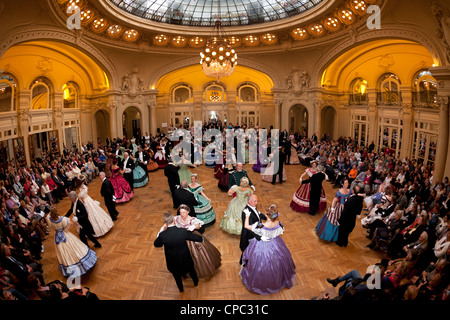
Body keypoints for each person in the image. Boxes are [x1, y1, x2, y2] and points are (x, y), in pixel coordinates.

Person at [240, 204, 296, 295]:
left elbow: (247, 226)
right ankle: (275, 281)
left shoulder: (261, 225)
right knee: (277, 262)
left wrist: (247, 215)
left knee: (259, 263)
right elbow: (278, 231)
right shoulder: (278, 223)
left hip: (262, 246)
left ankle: (260, 283)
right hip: (275, 244)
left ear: (266, 215)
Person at [154, 211, 203, 292]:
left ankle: (181, 289)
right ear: (174, 219)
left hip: (172, 260)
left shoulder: (162, 235)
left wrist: (161, 230)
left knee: (176, 275)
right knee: (191, 270)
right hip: (185, 257)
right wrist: (201, 238)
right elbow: (195, 237)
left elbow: (156, 244)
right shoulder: (182, 231)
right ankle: (195, 282)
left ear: (165, 222)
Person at [173, 205, 221, 279]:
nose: (182, 214)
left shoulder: (192, 219)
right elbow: (168, 223)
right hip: (181, 239)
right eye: (180, 212)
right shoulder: (176, 218)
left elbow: (198, 225)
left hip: (192, 238)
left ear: (188, 212)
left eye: (184, 212)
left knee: (197, 255)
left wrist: (194, 227)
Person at [46, 207, 97, 277]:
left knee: (63, 251)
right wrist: (78, 225)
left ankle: (68, 265)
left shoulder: (49, 219)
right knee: (75, 248)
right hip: (65, 235)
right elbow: (69, 225)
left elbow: (49, 222)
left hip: (57, 237)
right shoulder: (63, 219)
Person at [239, 194, 267, 265]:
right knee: (247, 250)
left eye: (257, 201)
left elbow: (257, 214)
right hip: (249, 236)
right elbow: (249, 228)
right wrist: (259, 237)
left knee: (251, 251)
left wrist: (266, 217)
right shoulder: (245, 212)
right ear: (249, 201)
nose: (256, 203)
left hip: (255, 231)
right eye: (255, 201)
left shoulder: (253, 206)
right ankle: (243, 263)